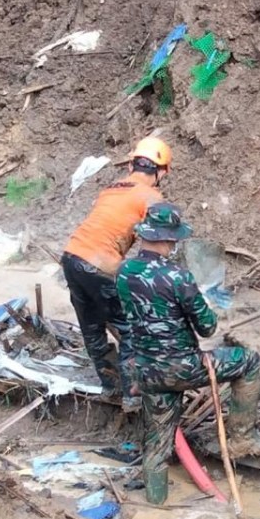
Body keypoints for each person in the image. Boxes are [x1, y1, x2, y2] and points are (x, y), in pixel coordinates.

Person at [116, 203, 260, 505]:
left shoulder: (124, 272)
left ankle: (155, 506)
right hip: (185, 367)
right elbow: (208, 329)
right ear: (169, 239)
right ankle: (241, 438)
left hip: (147, 371)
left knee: (157, 443)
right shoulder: (178, 277)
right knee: (248, 362)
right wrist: (205, 304)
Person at [62, 137, 170, 401]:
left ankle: (111, 387)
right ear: (161, 171)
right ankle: (133, 396)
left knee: (92, 327)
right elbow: (157, 241)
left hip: (72, 257)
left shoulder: (110, 189)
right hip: (101, 264)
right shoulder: (152, 197)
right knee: (130, 329)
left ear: (132, 164)